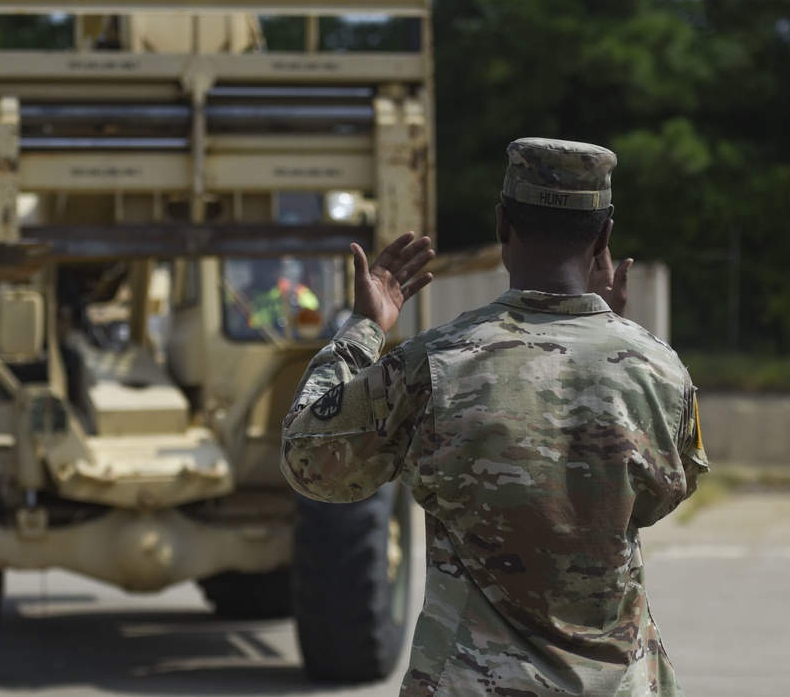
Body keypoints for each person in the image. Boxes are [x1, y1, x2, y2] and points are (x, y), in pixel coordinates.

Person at [281, 137, 709, 696]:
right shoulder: (658, 369)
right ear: (604, 235)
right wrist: (612, 339)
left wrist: (365, 329)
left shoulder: (435, 364)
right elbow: (661, 493)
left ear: (503, 225)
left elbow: (310, 461)